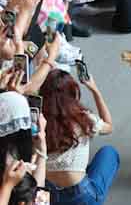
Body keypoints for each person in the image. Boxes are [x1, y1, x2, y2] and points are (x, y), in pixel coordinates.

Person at [41, 69, 118, 205]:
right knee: (109, 152)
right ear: (72, 93)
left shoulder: (38, 120)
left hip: (48, 196)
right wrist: (95, 90)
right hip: (81, 197)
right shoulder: (83, 119)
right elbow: (109, 126)